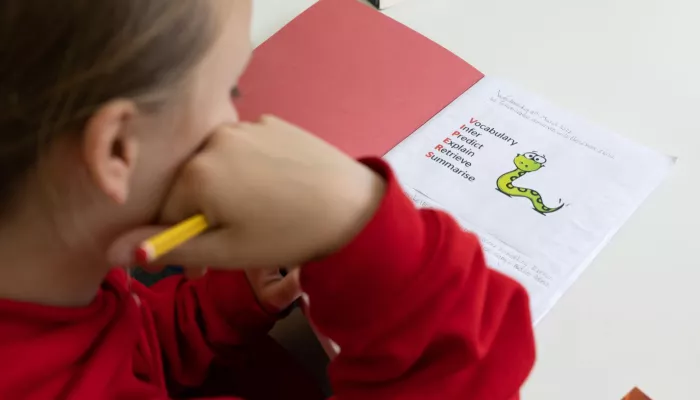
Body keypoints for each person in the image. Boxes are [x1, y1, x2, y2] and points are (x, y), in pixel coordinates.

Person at [0, 0, 535, 399]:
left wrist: (215, 308)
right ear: (118, 148)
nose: (241, 122)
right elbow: (474, 366)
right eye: (229, 91)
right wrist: (355, 216)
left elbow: (117, 354)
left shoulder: (44, 282)